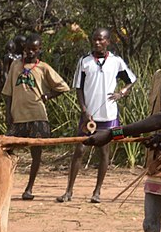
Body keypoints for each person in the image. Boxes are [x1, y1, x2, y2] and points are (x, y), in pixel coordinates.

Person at [89, 25, 161, 232]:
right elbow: (155, 117)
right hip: (157, 156)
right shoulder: (158, 76)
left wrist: (113, 133)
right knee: (149, 226)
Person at [56, 28, 136, 204]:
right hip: (89, 116)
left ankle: (97, 191)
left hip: (108, 115)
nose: (97, 42)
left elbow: (131, 80)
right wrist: (84, 111)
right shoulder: (85, 62)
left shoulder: (116, 62)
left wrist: (121, 93)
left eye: (101, 39)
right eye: (95, 39)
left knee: (104, 152)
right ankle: (69, 191)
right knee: (79, 151)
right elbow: (78, 87)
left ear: (108, 41)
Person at [1, 33, 69, 200]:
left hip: (37, 115)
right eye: (27, 49)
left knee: (36, 153)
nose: (30, 52)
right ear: (23, 49)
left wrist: (48, 95)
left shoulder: (43, 67)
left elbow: (63, 87)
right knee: (4, 150)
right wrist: (8, 112)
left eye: (34, 49)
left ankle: (29, 188)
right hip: (18, 116)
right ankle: (4, 185)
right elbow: (8, 92)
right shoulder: (15, 65)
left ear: (39, 50)